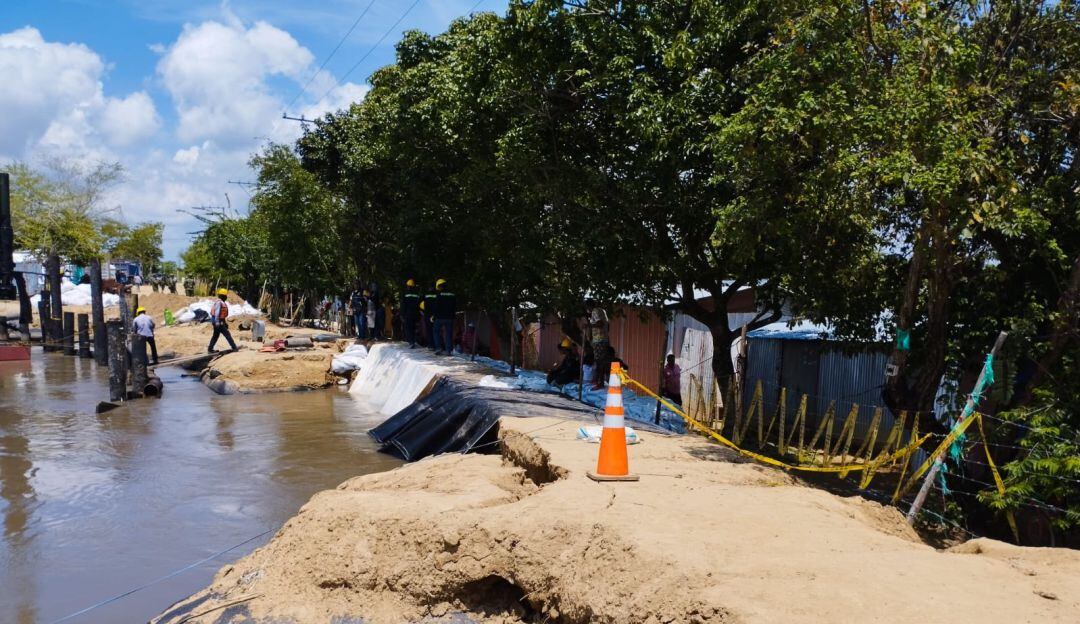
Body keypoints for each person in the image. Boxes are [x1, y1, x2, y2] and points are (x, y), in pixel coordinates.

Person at [207, 288, 238, 353]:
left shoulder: (221, 302)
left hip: (219, 321)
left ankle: (210, 349)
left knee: (215, 335)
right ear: (222, 296)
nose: (226, 297)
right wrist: (218, 322)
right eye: (225, 296)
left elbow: (222, 315)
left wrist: (224, 323)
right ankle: (234, 348)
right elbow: (217, 313)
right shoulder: (219, 303)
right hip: (218, 321)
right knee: (227, 334)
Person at [433, 278, 456, 355]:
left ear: (439, 286)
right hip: (450, 317)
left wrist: (434, 316)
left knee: (436, 331)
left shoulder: (439, 295)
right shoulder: (452, 294)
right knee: (448, 333)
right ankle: (448, 350)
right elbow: (455, 306)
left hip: (439, 317)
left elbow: (436, 307)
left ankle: (438, 348)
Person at [401, 279, 421, 348]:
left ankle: (411, 342)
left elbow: (403, 305)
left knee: (408, 328)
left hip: (408, 314)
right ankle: (414, 341)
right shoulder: (417, 294)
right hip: (415, 313)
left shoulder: (406, 294)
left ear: (408, 286)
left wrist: (402, 314)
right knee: (413, 327)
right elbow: (418, 304)